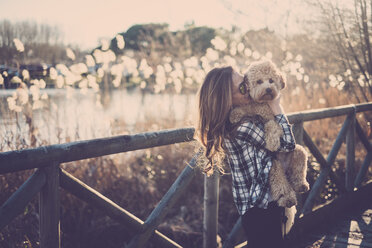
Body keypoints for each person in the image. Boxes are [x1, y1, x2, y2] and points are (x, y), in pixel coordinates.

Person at [195, 66, 296, 248]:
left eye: (246, 80)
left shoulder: (237, 120)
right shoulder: (242, 128)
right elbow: (288, 144)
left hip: (257, 205)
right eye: (242, 88)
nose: (248, 88)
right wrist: (276, 106)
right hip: (261, 206)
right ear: (227, 100)